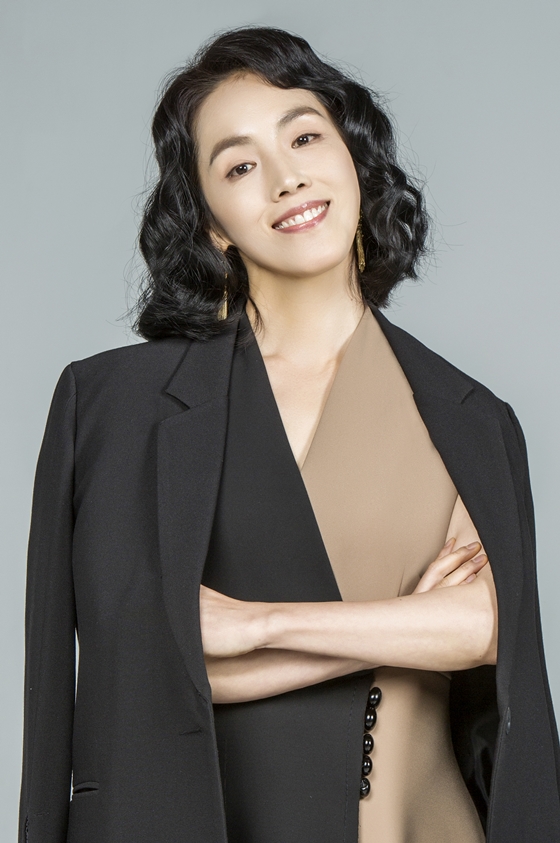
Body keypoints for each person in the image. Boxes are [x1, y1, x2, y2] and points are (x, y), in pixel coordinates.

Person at [18, 25, 560, 843]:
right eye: (239, 166)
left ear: (353, 156)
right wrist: (406, 626)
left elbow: (487, 627)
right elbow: (145, 670)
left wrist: (258, 627)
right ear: (211, 223)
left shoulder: (472, 417)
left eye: (305, 136)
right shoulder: (111, 407)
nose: (286, 178)